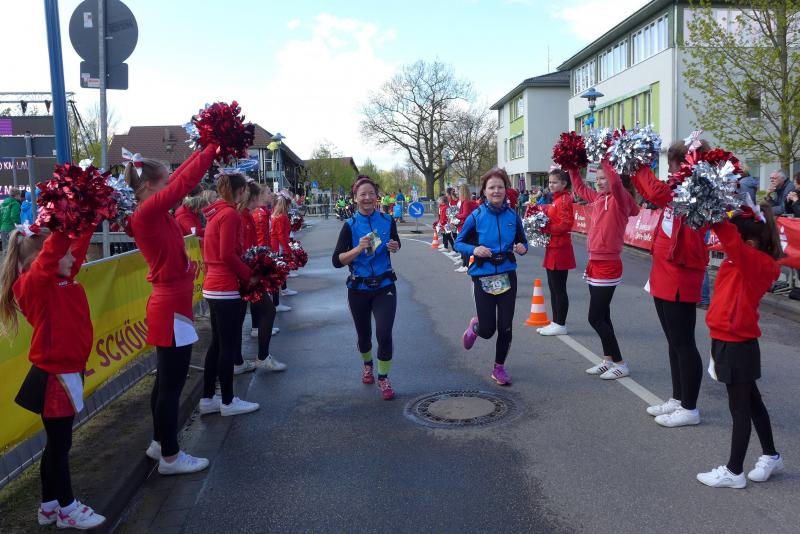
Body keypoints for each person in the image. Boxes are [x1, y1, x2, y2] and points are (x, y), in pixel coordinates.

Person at [1, 225, 106, 529]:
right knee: (60, 447)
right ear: (43, 258)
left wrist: (89, 218)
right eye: (66, 253)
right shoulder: (33, 283)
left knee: (56, 445)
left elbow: (74, 248)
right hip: (54, 377)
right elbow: (55, 251)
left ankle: (49, 506)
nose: (74, 258)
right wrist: (61, 220)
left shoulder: (61, 278)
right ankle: (68, 509)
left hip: (67, 371)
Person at [124, 147, 216, 474]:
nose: (170, 187)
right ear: (149, 186)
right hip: (170, 307)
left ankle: (159, 443)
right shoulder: (147, 212)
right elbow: (183, 183)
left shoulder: (154, 212)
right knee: (171, 385)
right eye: (164, 183)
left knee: (165, 380)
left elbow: (178, 178)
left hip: (173, 302)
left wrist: (205, 145)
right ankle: (171, 457)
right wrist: (213, 147)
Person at [697, 202, 784, 488]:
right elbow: (729, 238)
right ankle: (771, 455)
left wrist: (711, 209)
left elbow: (728, 237)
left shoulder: (756, 262)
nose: (726, 246)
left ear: (749, 243)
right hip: (728, 338)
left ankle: (734, 471)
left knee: (740, 409)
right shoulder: (743, 259)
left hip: (737, 343)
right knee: (752, 402)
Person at [631, 140, 710, 427]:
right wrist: (632, 168)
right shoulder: (677, 188)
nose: (670, 172)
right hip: (663, 270)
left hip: (681, 272)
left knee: (683, 342)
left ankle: (690, 408)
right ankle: (678, 399)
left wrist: (638, 163)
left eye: (673, 166)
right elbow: (647, 192)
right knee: (673, 341)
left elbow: (656, 191)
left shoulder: (696, 189)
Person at [456, 167, 528, 386]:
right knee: (488, 331)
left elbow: (523, 241)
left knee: (506, 326)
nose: (496, 191)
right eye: (491, 187)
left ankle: (499, 368)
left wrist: (522, 248)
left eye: (500, 187)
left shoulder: (512, 216)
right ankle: (476, 327)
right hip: (483, 276)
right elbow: (459, 242)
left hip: (507, 274)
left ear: (505, 190)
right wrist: (474, 249)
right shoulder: (476, 216)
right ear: (484, 191)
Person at [332, 175, 401, 400]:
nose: (368, 197)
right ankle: (367, 364)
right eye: (363, 194)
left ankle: (383, 377)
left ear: (376, 196)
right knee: (364, 336)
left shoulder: (387, 220)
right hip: (359, 288)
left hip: (384, 285)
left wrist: (395, 245)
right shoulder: (350, 225)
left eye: (371, 193)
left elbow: (396, 243)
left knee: (384, 333)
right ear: (355, 198)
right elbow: (336, 260)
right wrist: (357, 249)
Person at [198, 172, 261, 417]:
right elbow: (227, 254)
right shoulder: (230, 214)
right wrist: (249, 275)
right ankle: (227, 400)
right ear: (241, 191)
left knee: (217, 344)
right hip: (225, 287)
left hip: (213, 285)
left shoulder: (217, 212)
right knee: (227, 345)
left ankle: (208, 398)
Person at [570, 161, 639, 380]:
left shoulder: (621, 199)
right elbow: (580, 188)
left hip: (608, 265)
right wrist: (571, 167)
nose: (599, 182)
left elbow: (616, 184)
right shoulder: (599, 198)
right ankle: (608, 359)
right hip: (595, 262)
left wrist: (607, 158)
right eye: (597, 178)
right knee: (604, 316)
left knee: (595, 317)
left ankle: (620, 363)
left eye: (604, 178)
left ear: (614, 178)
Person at [233, 182, 285, 374]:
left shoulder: (247, 215)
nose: (269, 195)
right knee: (267, 311)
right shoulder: (243, 216)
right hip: (245, 275)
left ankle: (239, 361)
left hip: (246, 273)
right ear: (254, 197)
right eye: (267, 193)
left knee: (242, 317)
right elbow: (241, 249)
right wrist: (252, 271)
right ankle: (260, 357)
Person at [531, 168, 576, 336]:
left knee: (559, 288)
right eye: (549, 182)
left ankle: (561, 324)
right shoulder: (556, 199)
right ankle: (556, 322)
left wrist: (547, 228)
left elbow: (566, 224)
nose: (551, 185)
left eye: (554, 182)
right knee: (553, 287)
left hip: (560, 249)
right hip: (553, 247)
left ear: (564, 183)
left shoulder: (564, 199)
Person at [252, 185, 280, 337]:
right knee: (259, 294)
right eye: (268, 193)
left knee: (262, 293)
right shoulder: (259, 214)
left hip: (264, 253)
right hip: (261, 255)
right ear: (261, 195)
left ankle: (259, 326)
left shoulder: (263, 212)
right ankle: (257, 327)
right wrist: (265, 257)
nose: (271, 195)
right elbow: (261, 238)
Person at [271, 194, 297, 303]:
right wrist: (288, 249)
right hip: (279, 246)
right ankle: (280, 295)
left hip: (276, 245)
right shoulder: (281, 217)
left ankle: (284, 289)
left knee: (280, 267)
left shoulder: (274, 216)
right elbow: (281, 235)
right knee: (280, 267)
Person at [455, 184, 479, 273]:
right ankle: (466, 264)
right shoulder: (471, 202)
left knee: (464, 246)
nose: (457, 193)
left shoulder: (465, 202)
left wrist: (456, 216)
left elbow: (465, 214)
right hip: (471, 226)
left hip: (466, 226)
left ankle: (465, 265)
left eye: (459, 191)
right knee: (468, 246)